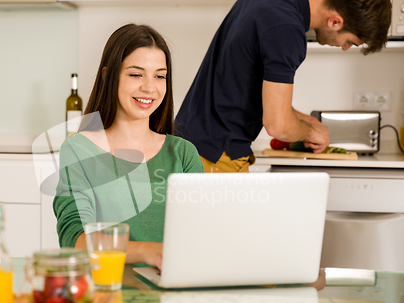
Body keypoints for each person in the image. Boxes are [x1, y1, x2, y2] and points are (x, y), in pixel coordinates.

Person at [175, 0, 392, 173]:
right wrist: (309, 133)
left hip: (191, 145)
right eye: (349, 42)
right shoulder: (287, 29)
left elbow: (243, 87)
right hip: (216, 157)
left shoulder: (273, 6)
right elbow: (277, 125)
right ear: (335, 21)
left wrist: (305, 120)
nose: (344, 48)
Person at [53, 24, 204, 269]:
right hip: (107, 292)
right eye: (136, 74)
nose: (149, 87)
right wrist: (148, 251)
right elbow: (75, 240)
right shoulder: (79, 150)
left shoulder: (183, 153)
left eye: (160, 75)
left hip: (173, 292)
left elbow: (202, 233)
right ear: (107, 76)